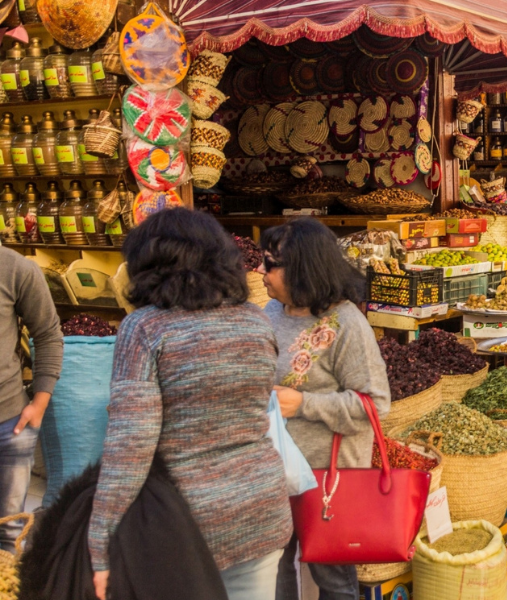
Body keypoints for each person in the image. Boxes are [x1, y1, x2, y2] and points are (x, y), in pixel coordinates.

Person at [89, 209, 292, 600]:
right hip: (261, 507)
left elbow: (130, 447)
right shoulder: (256, 320)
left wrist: (100, 541)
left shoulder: (145, 327)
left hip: (185, 525)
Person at [256, 218, 391, 600]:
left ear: (302, 268)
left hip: (327, 479)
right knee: (274, 569)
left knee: (333, 579)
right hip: (275, 469)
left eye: (271, 264)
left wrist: (303, 404)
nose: (261, 272)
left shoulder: (347, 323)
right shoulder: (270, 311)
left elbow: (375, 403)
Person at [0, 245, 60, 551]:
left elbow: (48, 333)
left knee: (9, 533)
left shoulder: (14, 268)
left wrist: (40, 400)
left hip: (10, 425)